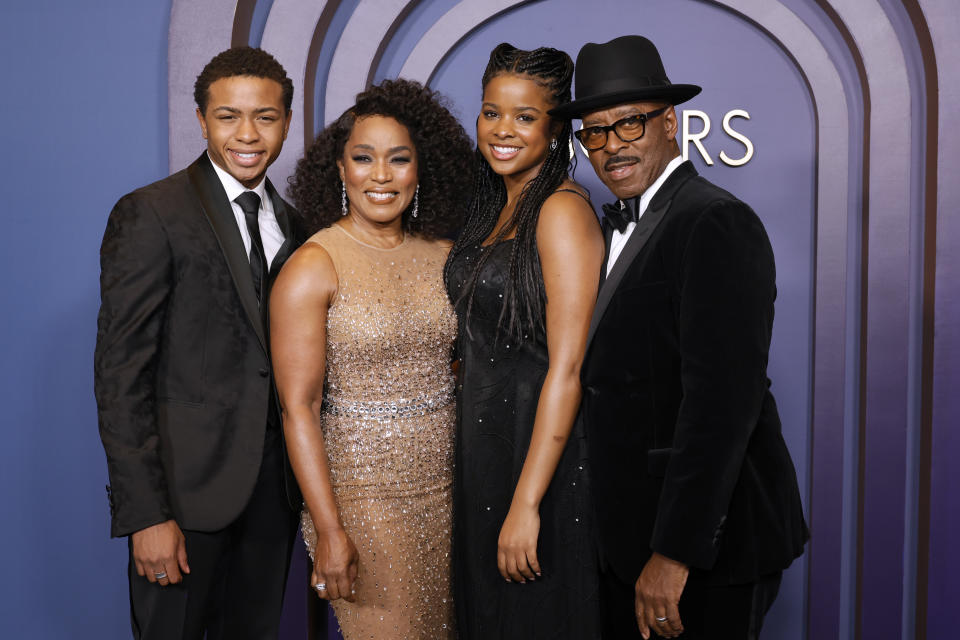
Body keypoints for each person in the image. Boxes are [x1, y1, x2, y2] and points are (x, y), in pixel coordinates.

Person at [548, 35, 809, 640]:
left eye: (630, 125)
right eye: (594, 132)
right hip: (629, 538)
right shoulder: (610, 225)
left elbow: (722, 406)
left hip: (704, 551)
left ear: (670, 123)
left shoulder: (715, 221)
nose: (611, 146)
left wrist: (674, 554)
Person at [94, 47, 302, 639]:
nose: (248, 134)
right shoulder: (151, 213)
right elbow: (119, 374)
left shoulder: (296, 225)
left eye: (265, 117)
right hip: (181, 502)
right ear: (201, 120)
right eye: (228, 116)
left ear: (286, 122)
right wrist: (146, 515)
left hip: (273, 500)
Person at [272, 78, 474, 639]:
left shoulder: (444, 255)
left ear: (420, 169)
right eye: (363, 159)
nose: (380, 176)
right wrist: (332, 530)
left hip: (450, 490)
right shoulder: (314, 265)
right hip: (362, 499)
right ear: (339, 169)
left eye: (398, 160)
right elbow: (298, 408)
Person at [444, 44, 604, 639]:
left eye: (524, 116)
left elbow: (568, 369)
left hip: (540, 463)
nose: (502, 130)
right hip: (486, 450)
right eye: (491, 112)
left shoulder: (561, 211)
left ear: (556, 126)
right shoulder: (492, 207)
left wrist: (527, 502)